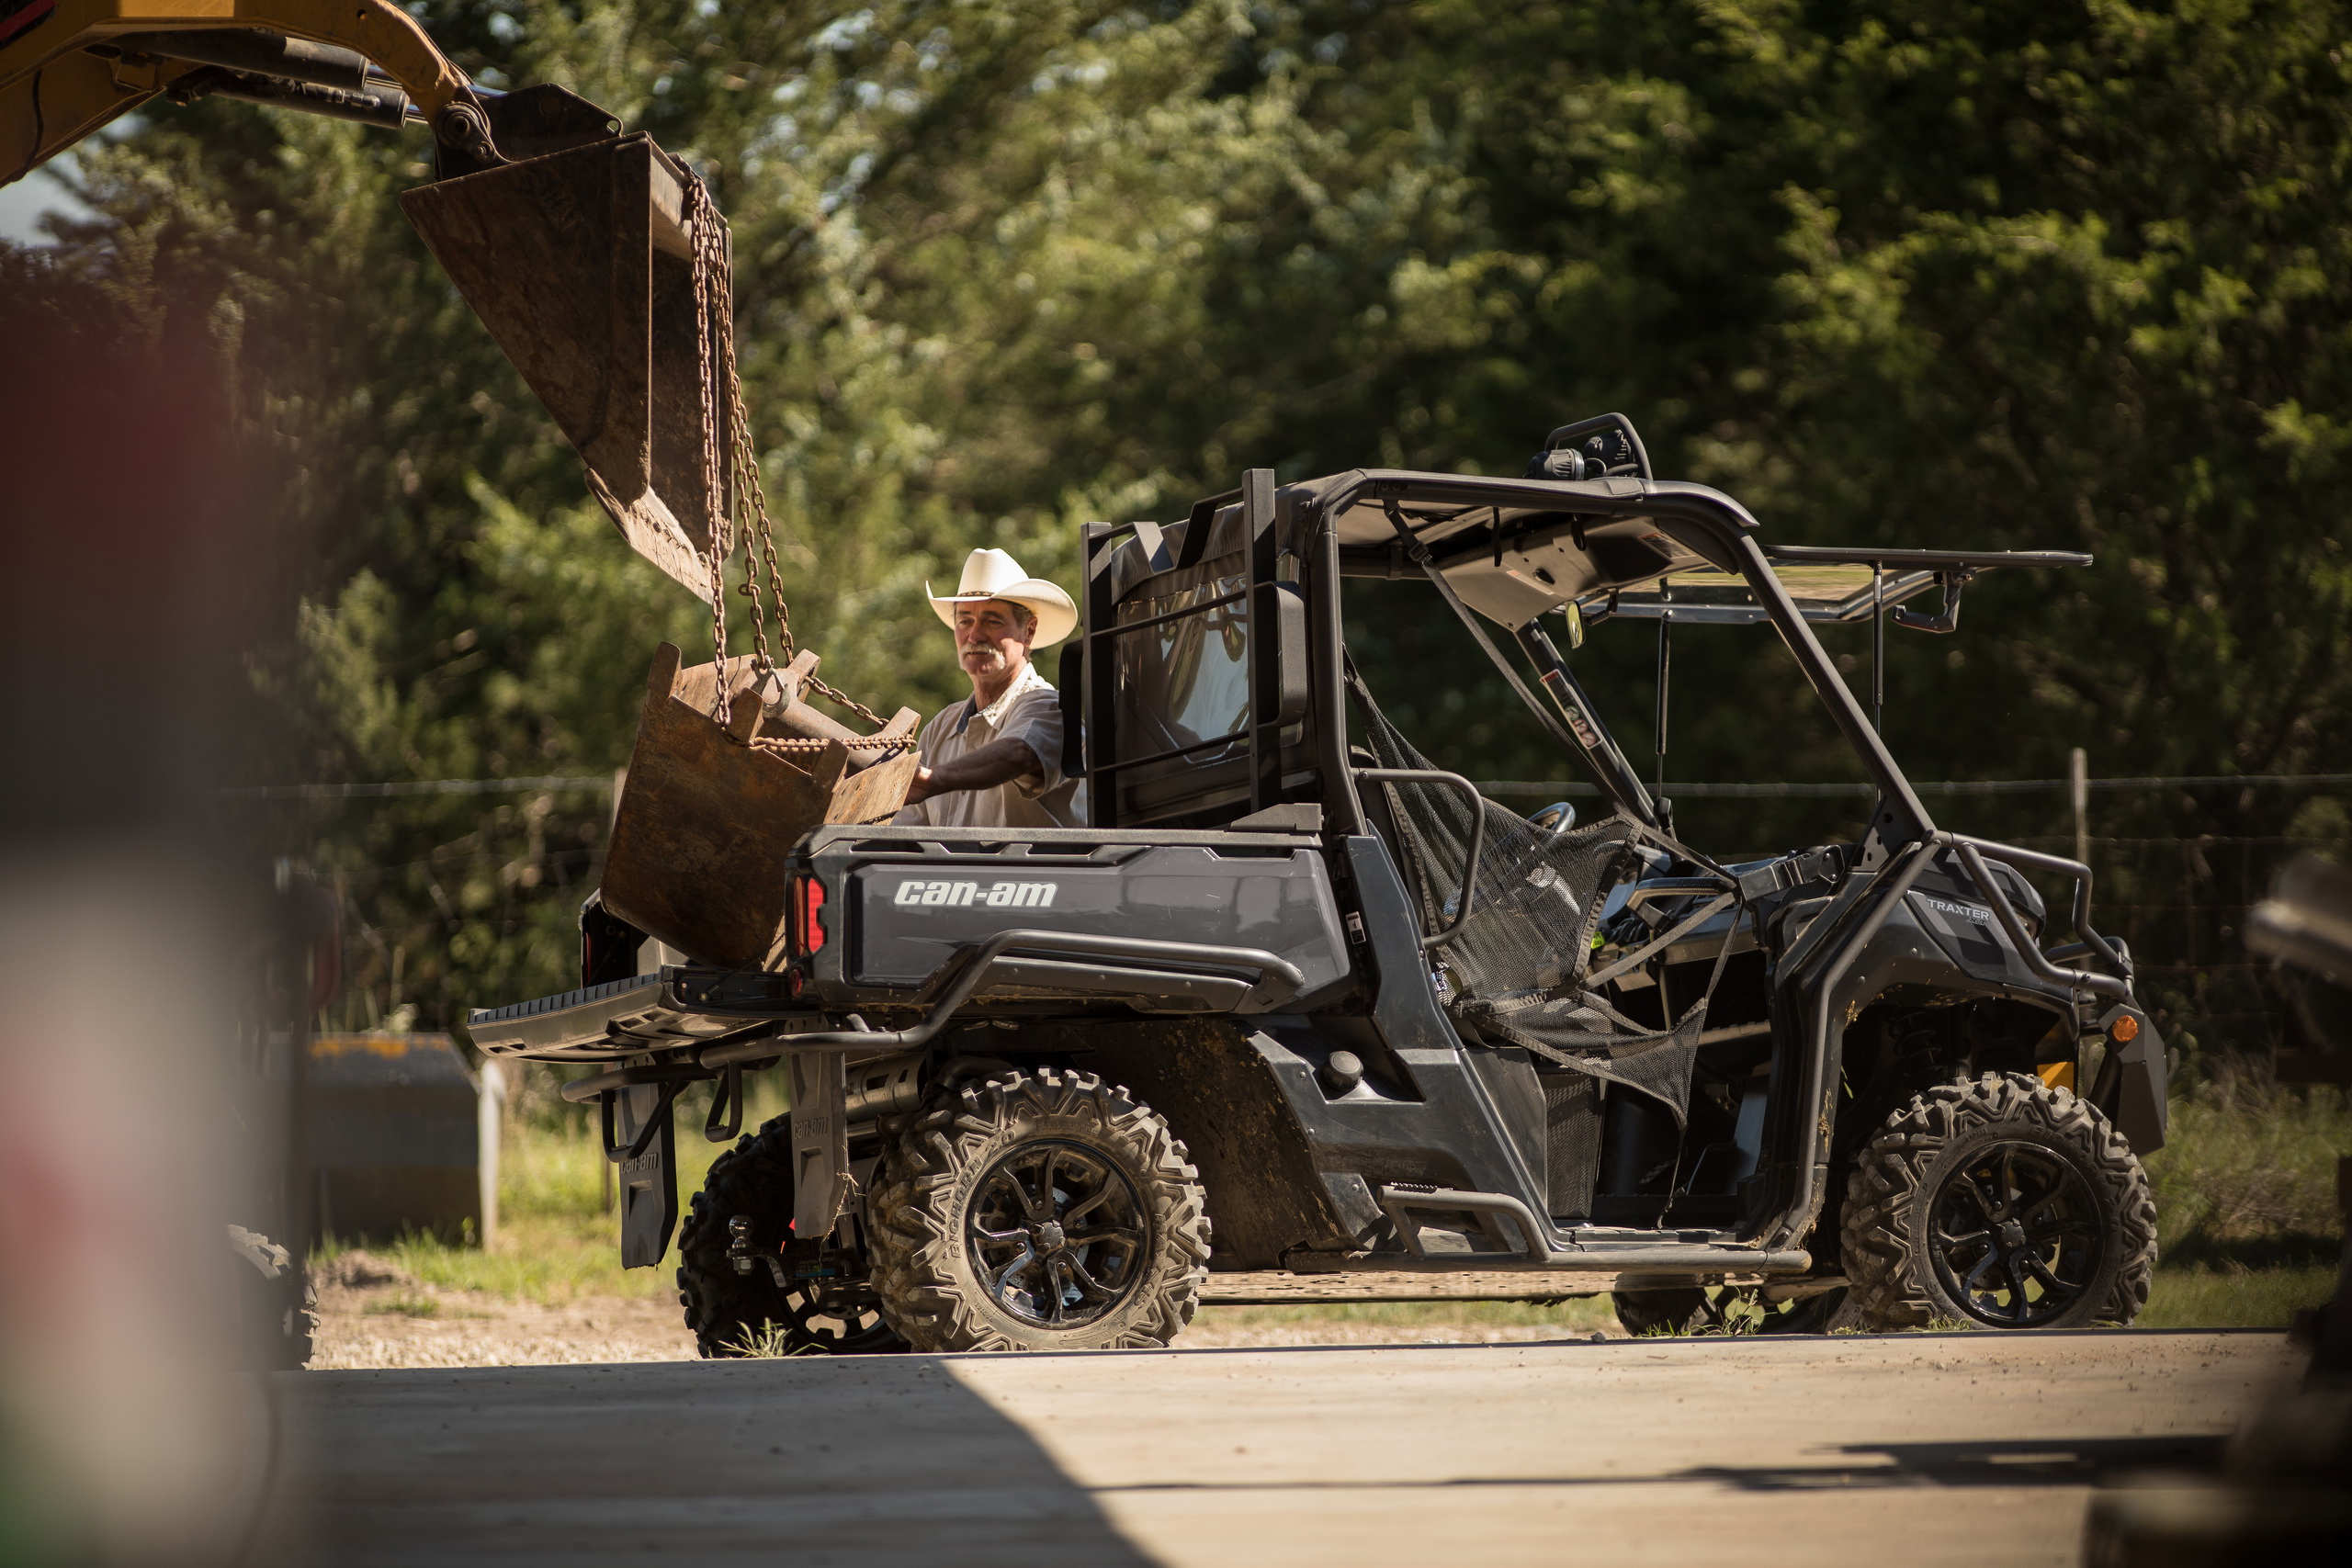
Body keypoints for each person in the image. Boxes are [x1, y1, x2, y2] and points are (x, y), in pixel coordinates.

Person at [892, 547, 1082, 829]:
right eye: (965, 621)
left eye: (993, 621)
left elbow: (1018, 754)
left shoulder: (1048, 706)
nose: (975, 634)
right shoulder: (940, 728)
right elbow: (906, 835)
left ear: (1029, 631)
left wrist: (934, 779)